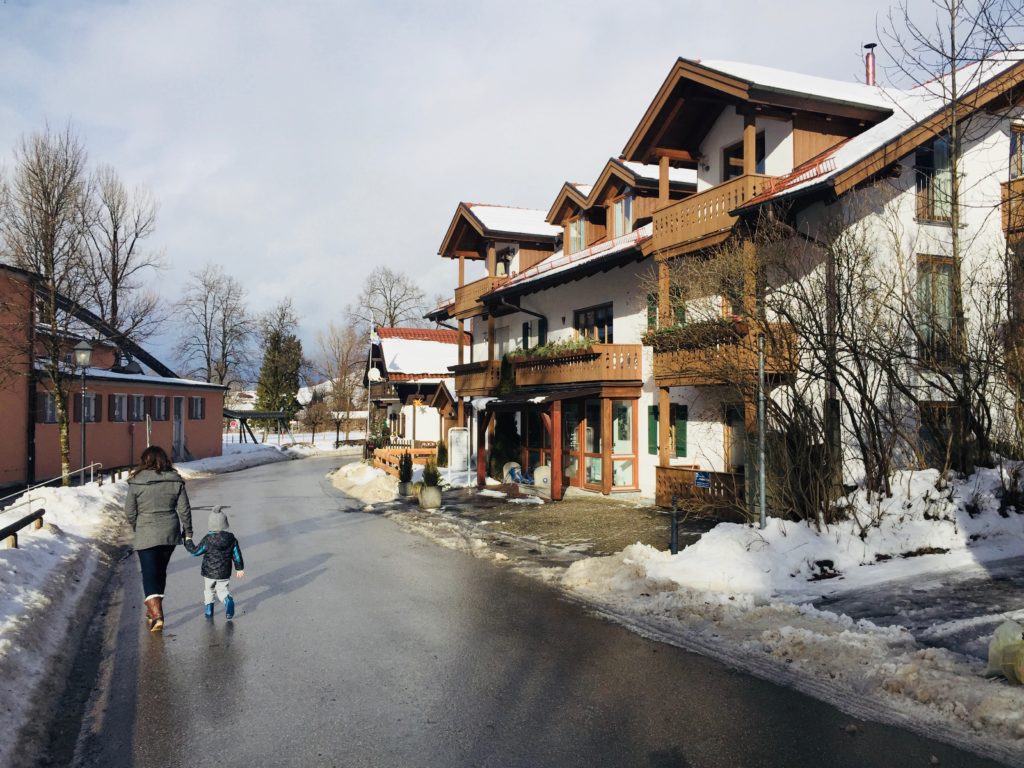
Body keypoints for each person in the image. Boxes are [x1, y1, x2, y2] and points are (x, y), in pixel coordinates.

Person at [123, 445, 192, 632]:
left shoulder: (136, 482)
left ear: (144, 461)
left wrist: (138, 525)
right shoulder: (175, 480)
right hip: (169, 531)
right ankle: (153, 611)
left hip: (146, 531)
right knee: (160, 571)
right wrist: (188, 532)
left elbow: (129, 511)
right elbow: (184, 509)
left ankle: (157, 614)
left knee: (148, 573)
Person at [185, 506, 245, 619]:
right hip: (224, 572)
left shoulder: (208, 539)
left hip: (209, 572)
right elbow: (236, 554)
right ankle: (227, 601)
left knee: (209, 590)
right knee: (222, 590)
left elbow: (195, 552)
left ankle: (209, 610)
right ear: (225, 524)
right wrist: (239, 568)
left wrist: (188, 541)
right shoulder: (231, 539)